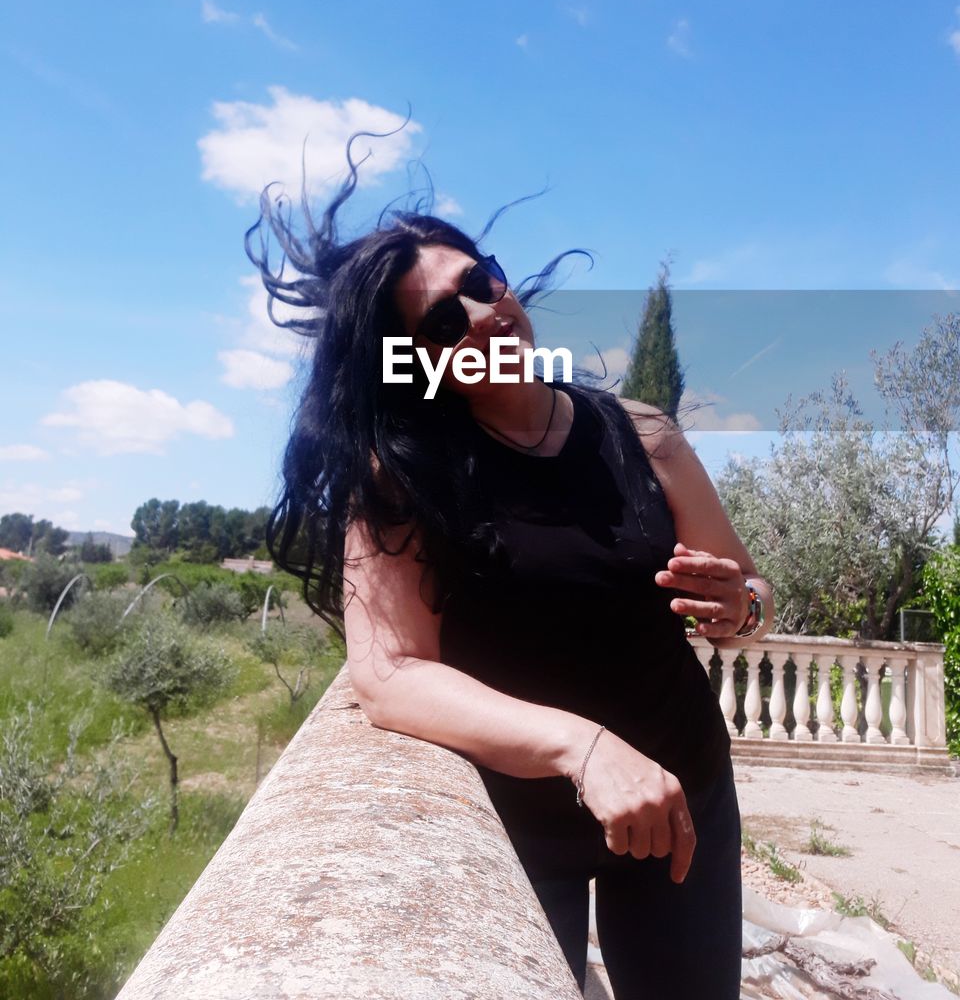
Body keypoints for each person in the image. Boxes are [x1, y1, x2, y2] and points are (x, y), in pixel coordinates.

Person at [246, 142, 774, 999]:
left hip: (684, 793)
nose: (483, 314)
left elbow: (751, 590)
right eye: (443, 321)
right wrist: (582, 747)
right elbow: (387, 674)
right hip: (521, 818)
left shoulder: (644, 435)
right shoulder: (403, 478)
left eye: (480, 281)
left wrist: (739, 606)